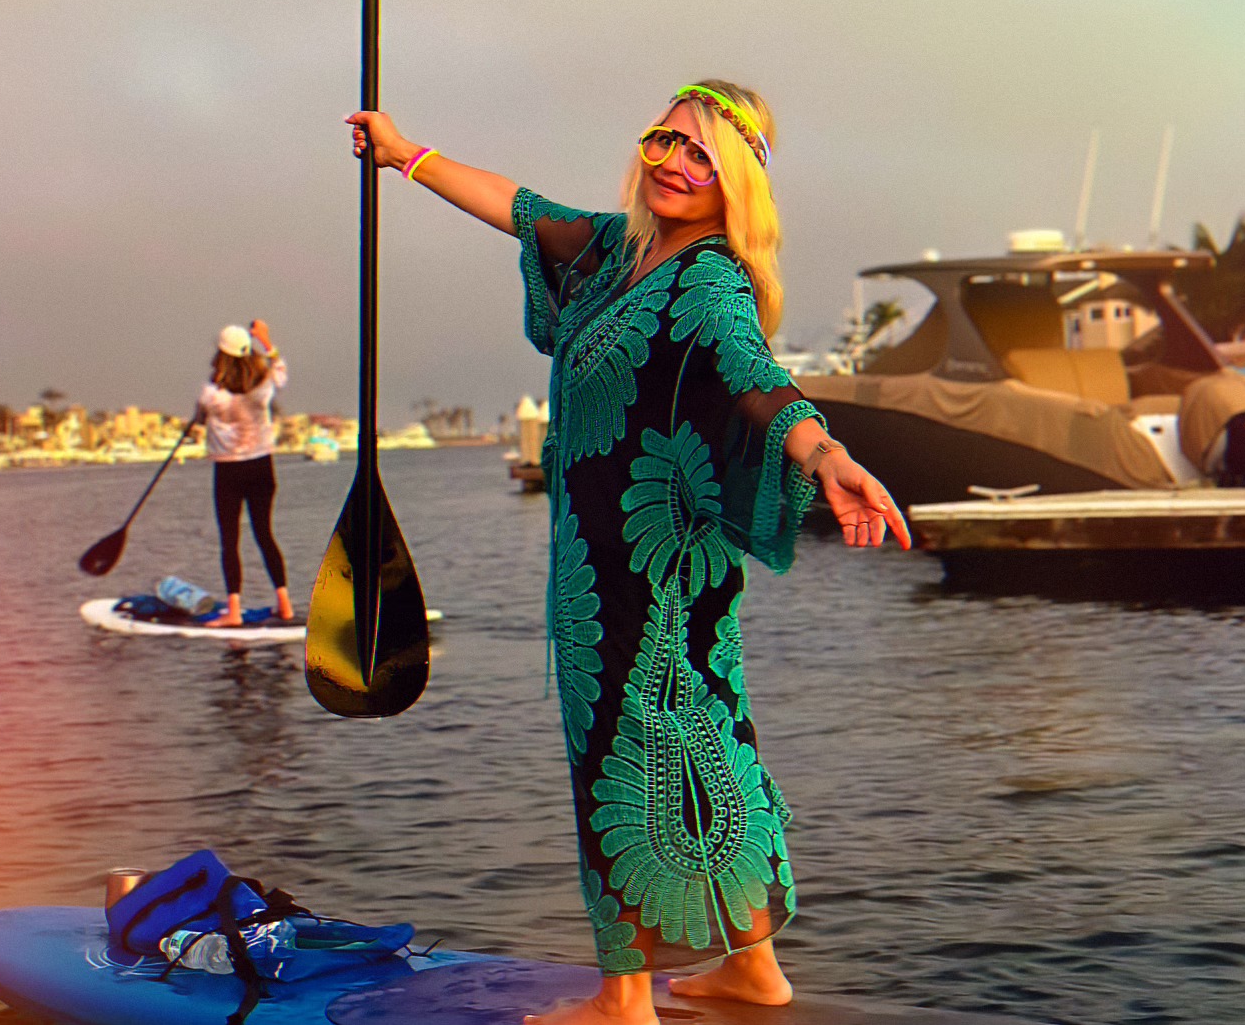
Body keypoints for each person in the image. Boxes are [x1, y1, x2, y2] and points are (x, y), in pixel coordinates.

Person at [346, 80, 911, 1025]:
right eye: (665, 141)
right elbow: (516, 206)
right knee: (705, 746)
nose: (676, 165)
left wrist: (829, 455)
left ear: (737, 184)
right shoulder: (619, 248)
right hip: (620, 560)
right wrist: (405, 153)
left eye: (702, 156)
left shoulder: (712, 281)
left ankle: (623, 998)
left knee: (619, 758)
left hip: (643, 573)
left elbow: (756, 377)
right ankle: (752, 970)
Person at [195, 319, 294, 627]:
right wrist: (267, 340)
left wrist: (199, 416)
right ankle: (285, 605)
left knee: (230, 539)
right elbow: (280, 370)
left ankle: (234, 612)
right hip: (263, 466)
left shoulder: (212, 394)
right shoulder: (264, 384)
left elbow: (199, 418)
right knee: (264, 534)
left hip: (229, 471)